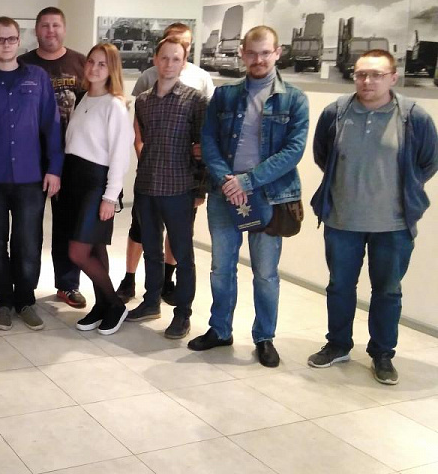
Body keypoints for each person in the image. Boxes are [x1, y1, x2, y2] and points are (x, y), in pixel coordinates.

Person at [307, 50, 438, 384]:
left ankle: (382, 353)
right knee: (339, 287)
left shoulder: (414, 117)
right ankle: (338, 344)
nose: (367, 81)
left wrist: (404, 189)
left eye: (376, 75)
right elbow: (323, 155)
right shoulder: (336, 112)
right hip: (342, 221)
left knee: (388, 291)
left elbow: (428, 162)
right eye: (361, 74)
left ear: (393, 77)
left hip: (393, 225)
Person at [189, 25, 309, 368]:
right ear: (242, 53)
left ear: (278, 53)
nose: (258, 60)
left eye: (265, 53)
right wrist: (227, 179)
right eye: (252, 53)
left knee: (266, 273)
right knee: (221, 268)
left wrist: (249, 181)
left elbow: (294, 150)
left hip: (270, 196)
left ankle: (264, 337)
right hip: (224, 194)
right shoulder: (225, 96)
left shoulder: (295, 99)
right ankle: (220, 330)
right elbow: (208, 139)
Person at [0, 17, 62, 332]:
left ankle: (25, 301)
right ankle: (4, 303)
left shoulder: (37, 78)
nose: (6, 44)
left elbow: (51, 125)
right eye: (0, 39)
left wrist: (54, 168)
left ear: (19, 40)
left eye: (11, 39)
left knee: (28, 243)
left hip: (30, 177)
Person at [117, 22, 215, 303]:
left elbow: (203, 148)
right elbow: (141, 138)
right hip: (148, 186)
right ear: (155, 60)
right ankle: (150, 302)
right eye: (164, 58)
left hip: (180, 187)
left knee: (183, 253)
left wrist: (200, 190)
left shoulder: (196, 100)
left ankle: (182, 311)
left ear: (184, 62)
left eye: (176, 59)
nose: (169, 64)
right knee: (150, 248)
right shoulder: (144, 101)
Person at [62, 43, 134, 335]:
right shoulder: (82, 98)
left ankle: (115, 304)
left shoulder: (114, 105)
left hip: (96, 183)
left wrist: (110, 196)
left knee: (78, 252)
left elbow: (120, 154)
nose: (94, 68)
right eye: (91, 61)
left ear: (111, 69)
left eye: (102, 64)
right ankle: (103, 304)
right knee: (94, 247)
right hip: (74, 179)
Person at [20, 7, 88, 308]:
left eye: (56, 25)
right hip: (31, 159)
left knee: (67, 224)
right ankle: (25, 286)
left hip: (72, 158)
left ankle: (67, 284)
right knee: (29, 227)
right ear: (36, 30)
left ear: (64, 28)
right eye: (45, 26)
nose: (50, 31)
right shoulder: (23, 64)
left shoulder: (80, 63)